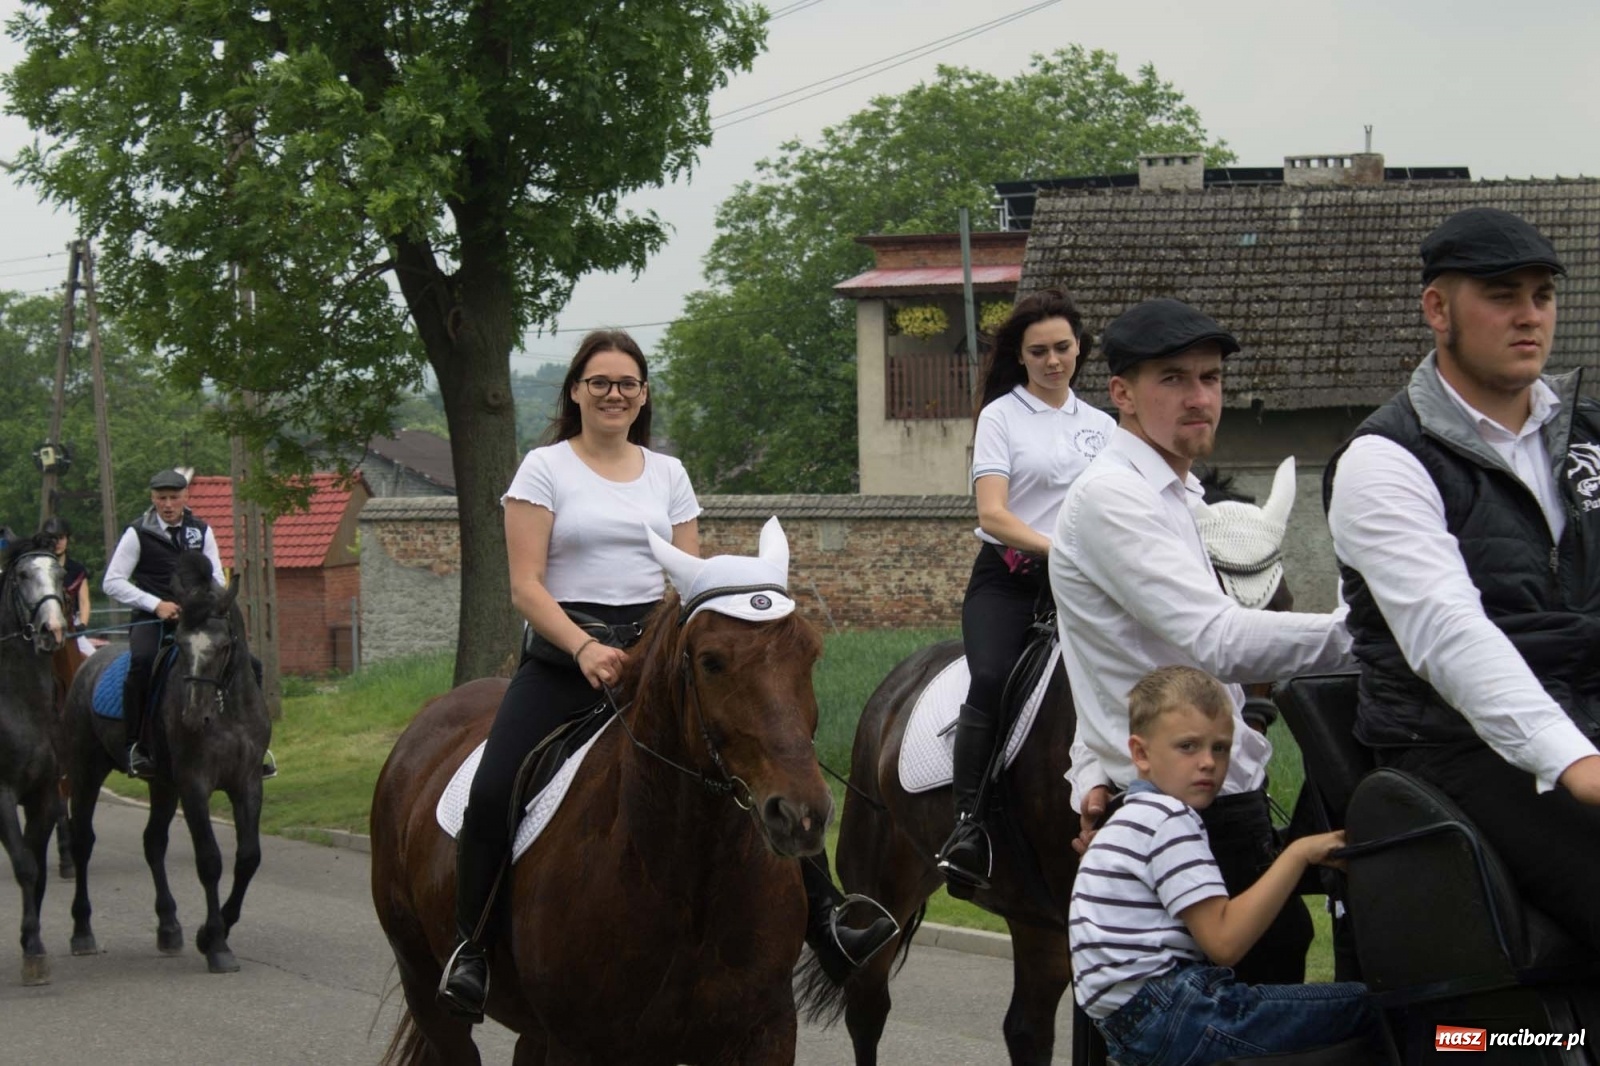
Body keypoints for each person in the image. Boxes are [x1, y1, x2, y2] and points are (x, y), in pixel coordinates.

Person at [439, 330, 897, 1022]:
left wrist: (666, 647)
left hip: (657, 648)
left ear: (643, 395)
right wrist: (585, 647)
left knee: (762, 758)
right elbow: (526, 587)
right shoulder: (544, 469)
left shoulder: (667, 473)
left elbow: (690, 585)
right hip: (568, 655)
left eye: (627, 383)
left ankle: (827, 914)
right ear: (575, 391)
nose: (614, 393)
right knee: (496, 784)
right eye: (600, 382)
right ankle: (471, 948)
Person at [1048, 298, 1355, 983]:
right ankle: (971, 825)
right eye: (1174, 379)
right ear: (1122, 394)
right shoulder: (1112, 498)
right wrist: (1367, 636)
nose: (1199, 398)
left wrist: (1089, 768)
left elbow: (1111, 658)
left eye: (1210, 379)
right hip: (1184, 813)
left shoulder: (1184, 502)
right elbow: (1214, 641)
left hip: (1212, 797)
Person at [1326, 208, 1600, 952]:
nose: (1528, 316)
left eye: (1542, 296)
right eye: (1502, 295)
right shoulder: (1385, 461)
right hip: (1460, 745)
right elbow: (1448, 633)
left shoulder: (1587, 435)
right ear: (1437, 309)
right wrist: (1574, 760)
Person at [1070, 666, 1379, 1065]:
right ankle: (1484, 1041)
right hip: (1180, 1015)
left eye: (1220, 748)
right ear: (1141, 753)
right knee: (1378, 1009)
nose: (1208, 763)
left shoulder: (1126, 820)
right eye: (1188, 746)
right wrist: (1299, 853)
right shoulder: (1169, 819)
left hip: (1129, 1027)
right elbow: (1225, 941)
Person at [936, 289, 1115, 893]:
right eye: (1038, 351)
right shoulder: (1000, 417)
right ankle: (968, 824)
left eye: (1062, 347)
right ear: (1022, 355)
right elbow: (994, 514)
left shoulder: (1104, 426)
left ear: (1079, 348)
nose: (1053, 360)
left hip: (1087, 587)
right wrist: (1061, 550)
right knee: (990, 677)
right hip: (1010, 582)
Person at [103, 468, 225, 778]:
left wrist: (199, 606)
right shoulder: (137, 533)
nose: (168, 504)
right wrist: (155, 604)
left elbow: (218, 578)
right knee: (142, 662)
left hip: (196, 617)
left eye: (174, 498)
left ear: (186, 497)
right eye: (161, 499)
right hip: (152, 618)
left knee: (245, 660)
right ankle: (135, 745)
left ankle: (249, 741)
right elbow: (112, 582)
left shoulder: (202, 530)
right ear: (152, 499)